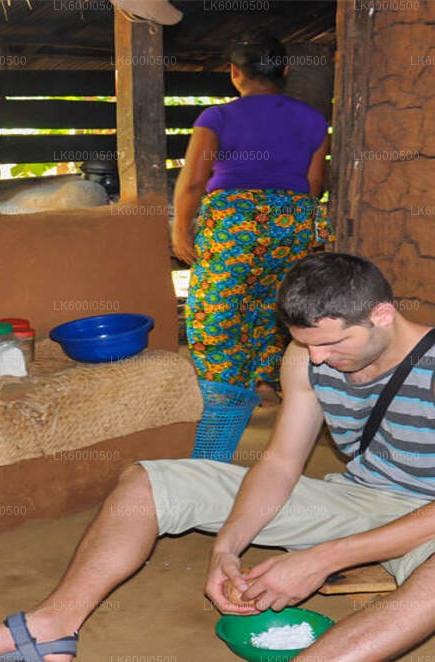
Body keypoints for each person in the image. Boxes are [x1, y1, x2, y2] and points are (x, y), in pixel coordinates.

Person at [0, 254, 435, 662]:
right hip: (360, 496)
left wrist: (320, 559)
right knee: (148, 479)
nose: (318, 361)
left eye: (333, 344)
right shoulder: (307, 358)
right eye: (306, 346)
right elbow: (282, 462)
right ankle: (50, 629)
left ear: (383, 316)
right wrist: (227, 546)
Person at [173, 31, 332, 399]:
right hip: (292, 222)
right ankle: (265, 382)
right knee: (274, 302)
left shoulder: (218, 117)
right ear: (285, 70)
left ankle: (224, 393)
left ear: (234, 72)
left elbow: (195, 181)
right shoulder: (312, 119)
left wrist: (181, 230)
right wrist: (283, 219)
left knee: (216, 309)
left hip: (234, 224)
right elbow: (314, 183)